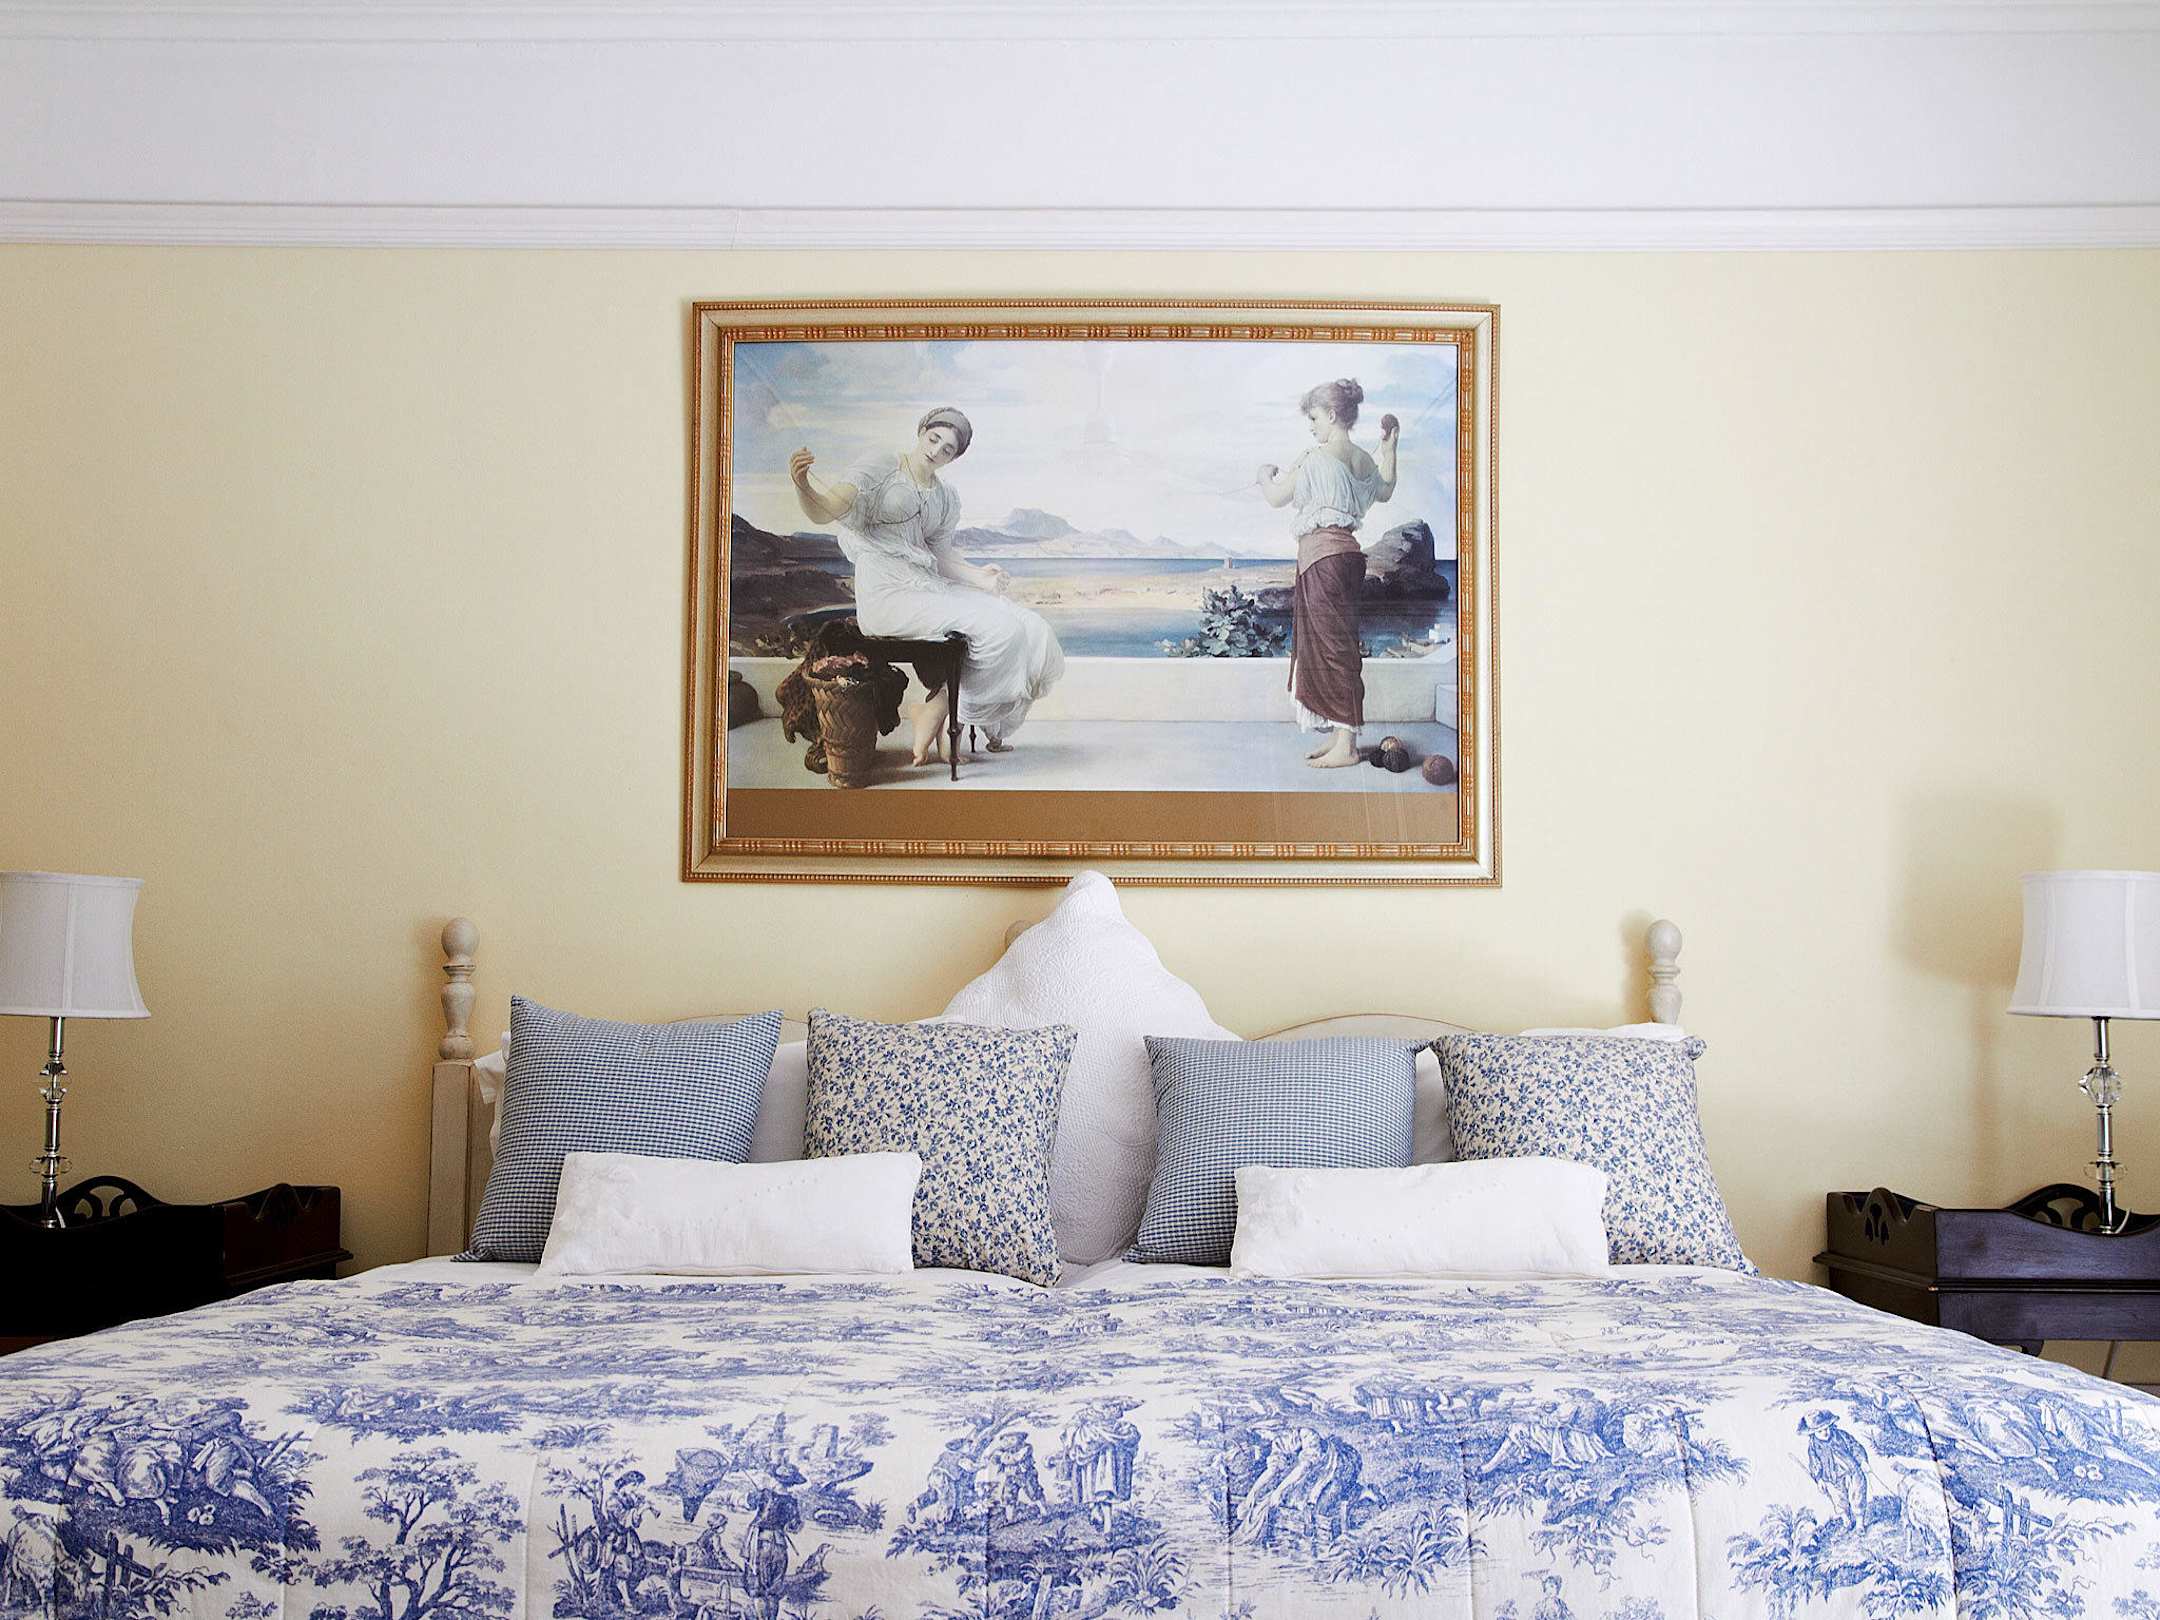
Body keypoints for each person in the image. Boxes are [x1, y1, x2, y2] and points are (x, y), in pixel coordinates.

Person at [789, 408, 1065, 766]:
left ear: (954, 457)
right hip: (888, 595)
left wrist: (980, 578)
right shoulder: (882, 466)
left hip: (927, 588)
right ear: (921, 431)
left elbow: (940, 556)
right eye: (934, 439)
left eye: (948, 449)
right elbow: (825, 510)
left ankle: (942, 711)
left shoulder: (944, 496)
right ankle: (940, 712)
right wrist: (803, 485)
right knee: (1002, 630)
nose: (936, 451)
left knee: (1034, 630)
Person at [1256, 379, 1398, 768]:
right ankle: (1340, 736)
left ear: (1333, 415)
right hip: (1348, 559)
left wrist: (1264, 475)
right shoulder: (1362, 459)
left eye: (1315, 418)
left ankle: (1347, 746)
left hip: (1324, 561)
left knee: (1334, 648)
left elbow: (1276, 498)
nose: (1311, 427)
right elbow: (1386, 490)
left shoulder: (1314, 458)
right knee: (1339, 644)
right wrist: (1389, 450)